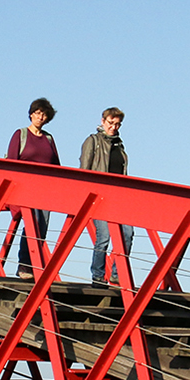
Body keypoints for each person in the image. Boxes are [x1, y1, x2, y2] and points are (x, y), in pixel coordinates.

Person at [5, 98, 59, 276]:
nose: (40, 117)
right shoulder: (20, 134)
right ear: (31, 114)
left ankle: (34, 265)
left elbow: (56, 166)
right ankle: (24, 264)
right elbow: (11, 162)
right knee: (32, 223)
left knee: (42, 226)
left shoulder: (49, 139)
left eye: (43, 114)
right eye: (37, 113)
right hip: (25, 188)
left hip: (45, 190)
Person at [80, 106, 133, 285]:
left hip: (119, 198)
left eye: (118, 124)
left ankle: (117, 273)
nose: (114, 127)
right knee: (103, 236)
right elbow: (84, 170)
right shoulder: (93, 141)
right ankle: (98, 275)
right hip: (100, 197)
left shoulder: (120, 145)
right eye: (111, 123)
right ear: (103, 122)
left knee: (127, 232)